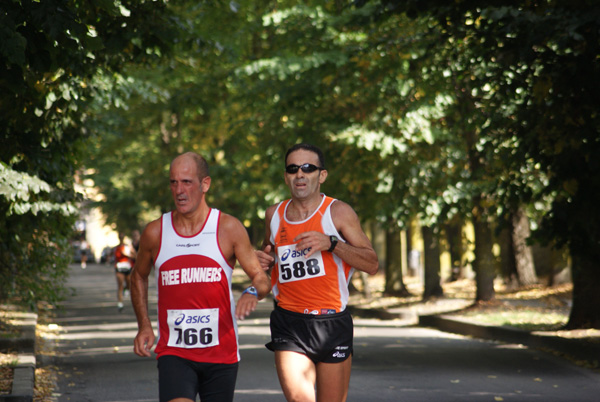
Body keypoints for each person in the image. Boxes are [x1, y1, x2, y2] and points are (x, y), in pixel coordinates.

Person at [131, 152, 270, 402]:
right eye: (173, 182)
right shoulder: (155, 232)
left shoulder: (228, 228)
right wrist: (144, 324)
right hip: (174, 352)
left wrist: (251, 292)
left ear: (205, 184)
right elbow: (137, 277)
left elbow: (260, 278)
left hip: (221, 354)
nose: (179, 190)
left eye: (187, 182)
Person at [256, 143, 379, 402]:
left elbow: (371, 263)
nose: (300, 174)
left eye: (308, 168)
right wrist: (262, 262)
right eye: (293, 169)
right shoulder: (273, 215)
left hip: (332, 322)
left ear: (321, 175)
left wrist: (332, 244)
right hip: (289, 321)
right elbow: (267, 257)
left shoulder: (338, 212)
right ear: (286, 176)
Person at [113, 233, 136, 312]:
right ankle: (120, 303)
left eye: (122, 237)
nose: (121, 238)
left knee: (129, 283)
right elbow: (114, 256)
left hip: (127, 267)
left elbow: (135, 256)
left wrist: (129, 254)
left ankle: (126, 290)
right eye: (120, 237)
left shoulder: (128, 247)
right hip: (119, 267)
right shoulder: (117, 247)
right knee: (120, 285)